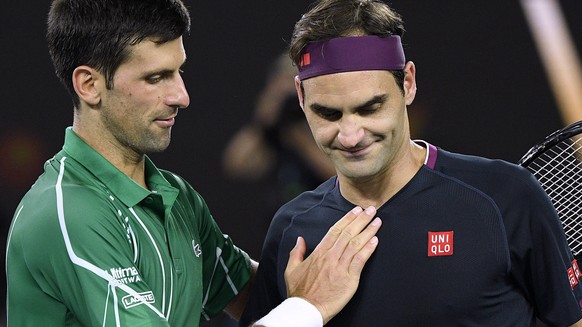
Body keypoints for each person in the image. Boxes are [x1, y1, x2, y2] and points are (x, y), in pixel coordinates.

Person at [5, 0, 383, 326]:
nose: (181, 96)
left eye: (178, 71)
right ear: (89, 85)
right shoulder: (67, 216)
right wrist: (307, 307)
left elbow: (258, 296)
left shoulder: (175, 197)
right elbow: (298, 305)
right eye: (157, 77)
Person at [240, 0, 582, 326]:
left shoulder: (506, 196)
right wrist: (303, 311)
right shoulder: (290, 228)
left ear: (408, 82)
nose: (350, 135)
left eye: (369, 108)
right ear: (301, 97)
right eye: (327, 113)